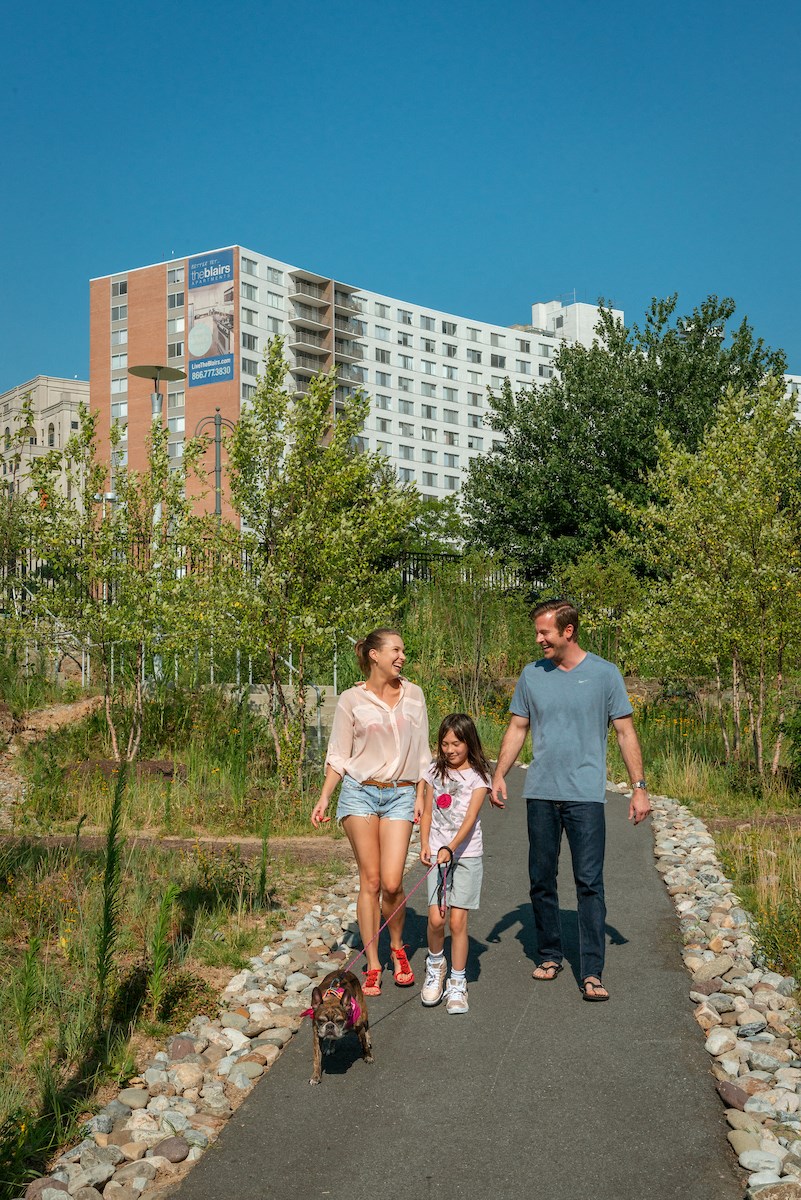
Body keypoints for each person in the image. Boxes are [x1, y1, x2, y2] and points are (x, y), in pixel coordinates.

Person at [491, 598, 650, 1002]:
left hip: (584, 796)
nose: (539, 639)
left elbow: (625, 732)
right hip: (541, 793)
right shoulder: (532, 674)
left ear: (568, 631)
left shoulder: (604, 674)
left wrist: (639, 786)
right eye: (537, 632)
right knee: (541, 880)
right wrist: (498, 775)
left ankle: (592, 971)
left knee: (589, 883)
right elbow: (517, 727)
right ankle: (549, 954)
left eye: (544, 632)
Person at [311, 628, 429, 996]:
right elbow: (339, 754)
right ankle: (374, 962)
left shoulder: (414, 695)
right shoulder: (351, 699)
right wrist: (325, 796)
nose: (402, 657)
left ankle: (397, 946)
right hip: (359, 794)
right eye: (396, 649)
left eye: (403, 650)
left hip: (401, 794)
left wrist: (422, 796)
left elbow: (424, 754)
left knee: (393, 883)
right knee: (371, 880)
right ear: (374, 655)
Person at [420, 713, 491, 1014]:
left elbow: (470, 818)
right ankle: (436, 964)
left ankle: (457, 982)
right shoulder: (433, 772)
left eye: (456, 744)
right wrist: (426, 843)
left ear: (468, 742)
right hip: (438, 853)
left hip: (466, 854)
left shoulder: (479, 775)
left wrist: (451, 846)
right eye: (445, 744)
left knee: (458, 920)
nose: (449, 750)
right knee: (436, 919)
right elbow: (425, 809)